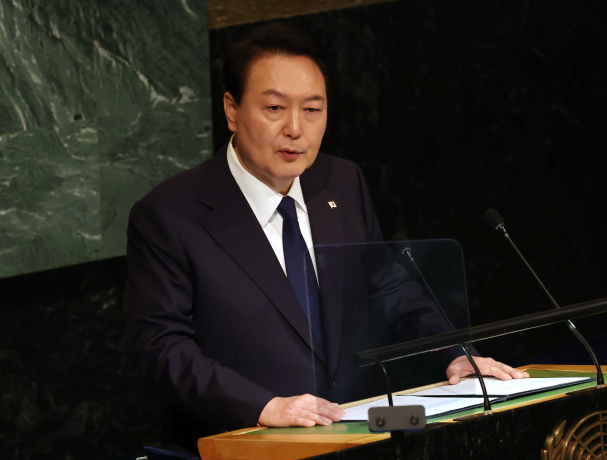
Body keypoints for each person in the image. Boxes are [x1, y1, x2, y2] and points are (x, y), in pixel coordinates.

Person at [123, 23, 529, 455]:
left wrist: (453, 353)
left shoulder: (341, 181)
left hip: (363, 434)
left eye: (312, 109)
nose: (295, 129)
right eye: (274, 108)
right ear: (232, 110)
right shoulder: (170, 214)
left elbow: (388, 290)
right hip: (248, 443)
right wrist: (263, 406)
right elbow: (160, 348)